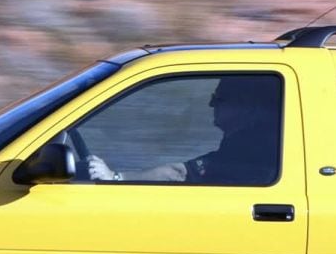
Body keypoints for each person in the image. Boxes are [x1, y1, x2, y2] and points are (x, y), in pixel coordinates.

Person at [86, 75, 281, 185]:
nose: (211, 104)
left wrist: (116, 177)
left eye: (220, 99)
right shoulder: (255, 141)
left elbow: (180, 173)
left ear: (249, 107)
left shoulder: (249, 148)